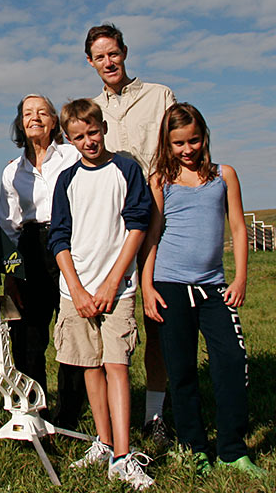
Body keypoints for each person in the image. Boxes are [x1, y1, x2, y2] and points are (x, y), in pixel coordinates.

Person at [140, 103, 265, 478]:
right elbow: (152, 235)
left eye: (193, 140)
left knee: (232, 362)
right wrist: (147, 285)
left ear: (204, 136)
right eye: (178, 143)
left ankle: (232, 450)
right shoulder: (160, 180)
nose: (187, 149)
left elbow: (238, 228)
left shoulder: (224, 175)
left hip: (214, 287)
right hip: (170, 286)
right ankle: (194, 447)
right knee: (181, 370)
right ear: (167, 143)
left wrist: (240, 279)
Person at [48, 99, 154, 490]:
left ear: (103, 128)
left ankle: (123, 457)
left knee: (117, 366)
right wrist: (77, 289)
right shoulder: (67, 179)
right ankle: (104, 441)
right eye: (79, 137)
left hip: (118, 289)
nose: (88, 141)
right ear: (68, 139)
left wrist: (112, 282)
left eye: (93, 132)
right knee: (90, 367)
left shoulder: (126, 169)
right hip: (76, 291)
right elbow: (58, 237)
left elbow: (138, 225)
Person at [86, 23, 176, 449]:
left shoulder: (159, 96)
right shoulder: (91, 110)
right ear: (90, 62)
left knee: (156, 317)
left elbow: (174, 150)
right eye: (100, 57)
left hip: (156, 218)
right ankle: (107, 428)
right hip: (109, 227)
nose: (109, 62)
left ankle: (155, 414)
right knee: (108, 319)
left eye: (113, 53)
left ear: (124, 52)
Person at [0, 94, 86, 428]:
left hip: (70, 242)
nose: (35, 117)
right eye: (27, 113)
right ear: (20, 123)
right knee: (27, 334)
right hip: (30, 247)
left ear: (54, 121)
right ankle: (35, 412)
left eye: (42, 112)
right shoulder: (12, 171)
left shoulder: (73, 156)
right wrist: (10, 273)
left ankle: (69, 415)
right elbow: (8, 225)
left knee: (73, 329)